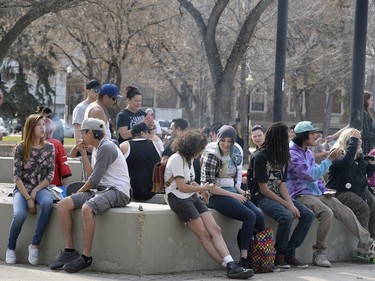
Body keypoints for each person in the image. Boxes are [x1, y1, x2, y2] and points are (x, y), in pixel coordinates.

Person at [165, 129, 254, 279]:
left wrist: (202, 191)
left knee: (215, 229)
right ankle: (229, 266)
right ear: (192, 147)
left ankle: (231, 263)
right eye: (200, 149)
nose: (201, 152)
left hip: (191, 196)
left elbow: (189, 181)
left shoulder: (189, 159)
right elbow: (181, 186)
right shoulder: (176, 159)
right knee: (204, 234)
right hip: (178, 198)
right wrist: (204, 188)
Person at [287, 121, 375, 268]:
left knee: (344, 210)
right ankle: (319, 253)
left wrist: (324, 189)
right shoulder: (292, 153)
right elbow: (311, 175)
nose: (316, 135)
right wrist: (329, 160)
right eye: (312, 133)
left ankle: (368, 243)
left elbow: (318, 179)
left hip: (316, 192)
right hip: (299, 193)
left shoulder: (307, 152)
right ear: (304, 136)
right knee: (326, 213)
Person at [50, 118, 131, 273]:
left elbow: (93, 181)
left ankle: (86, 257)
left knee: (87, 208)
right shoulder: (97, 148)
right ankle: (69, 251)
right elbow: (91, 176)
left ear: (91, 133)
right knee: (64, 204)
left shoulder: (106, 147)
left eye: (83, 132)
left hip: (118, 192)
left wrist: (80, 192)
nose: (80, 135)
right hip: (102, 190)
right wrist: (82, 153)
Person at [249, 122, 315, 269]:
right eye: (285, 137)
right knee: (286, 216)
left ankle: (289, 252)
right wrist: (286, 205)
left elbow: (282, 185)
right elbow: (264, 189)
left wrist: (290, 203)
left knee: (308, 215)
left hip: (278, 194)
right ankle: (279, 255)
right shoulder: (260, 157)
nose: (288, 139)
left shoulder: (283, 156)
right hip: (260, 197)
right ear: (277, 139)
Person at [201, 125, 265, 270]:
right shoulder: (212, 155)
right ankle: (244, 258)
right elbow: (209, 186)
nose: (226, 144)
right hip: (215, 196)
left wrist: (240, 192)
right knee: (249, 216)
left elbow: (232, 181)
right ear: (218, 139)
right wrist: (234, 196)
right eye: (223, 140)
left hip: (232, 193)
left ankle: (260, 255)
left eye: (230, 141)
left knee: (259, 216)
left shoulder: (233, 154)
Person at [6, 114, 55, 265]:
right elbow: (16, 177)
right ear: (30, 128)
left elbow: (50, 174)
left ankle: (35, 245)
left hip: (41, 188)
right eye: (39, 125)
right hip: (22, 189)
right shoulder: (21, 147)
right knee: (20, 215)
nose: (43, 127)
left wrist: (34, 192)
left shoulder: (49, 147)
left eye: (44, 124)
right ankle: (10, 247)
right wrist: (28, 198)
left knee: (48, 203)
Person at [326, 128, 375, 238]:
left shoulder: (358, 155)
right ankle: (364, 245)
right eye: (356, 139)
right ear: (348, 140)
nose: (359, 141)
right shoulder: (336, 153)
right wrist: (353, 140)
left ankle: (372, 239)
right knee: (362, 208)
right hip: (339, 192)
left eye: (360, 139)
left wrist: (371, 165)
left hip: (357, 191)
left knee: (373, 205)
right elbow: (346, 162)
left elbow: (364, 173)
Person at [120, 122, 161, 202]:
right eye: (148, 132)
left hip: (131, 190)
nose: (150, 135)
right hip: (152, 191)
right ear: (142, 133)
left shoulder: (124, 146)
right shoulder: (155, 144)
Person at [44, 118, 72, 187]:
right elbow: (64, 170)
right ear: (52, 131)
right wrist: (64, 189)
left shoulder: (30, 144)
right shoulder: (57, 144)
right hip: (53, 186)